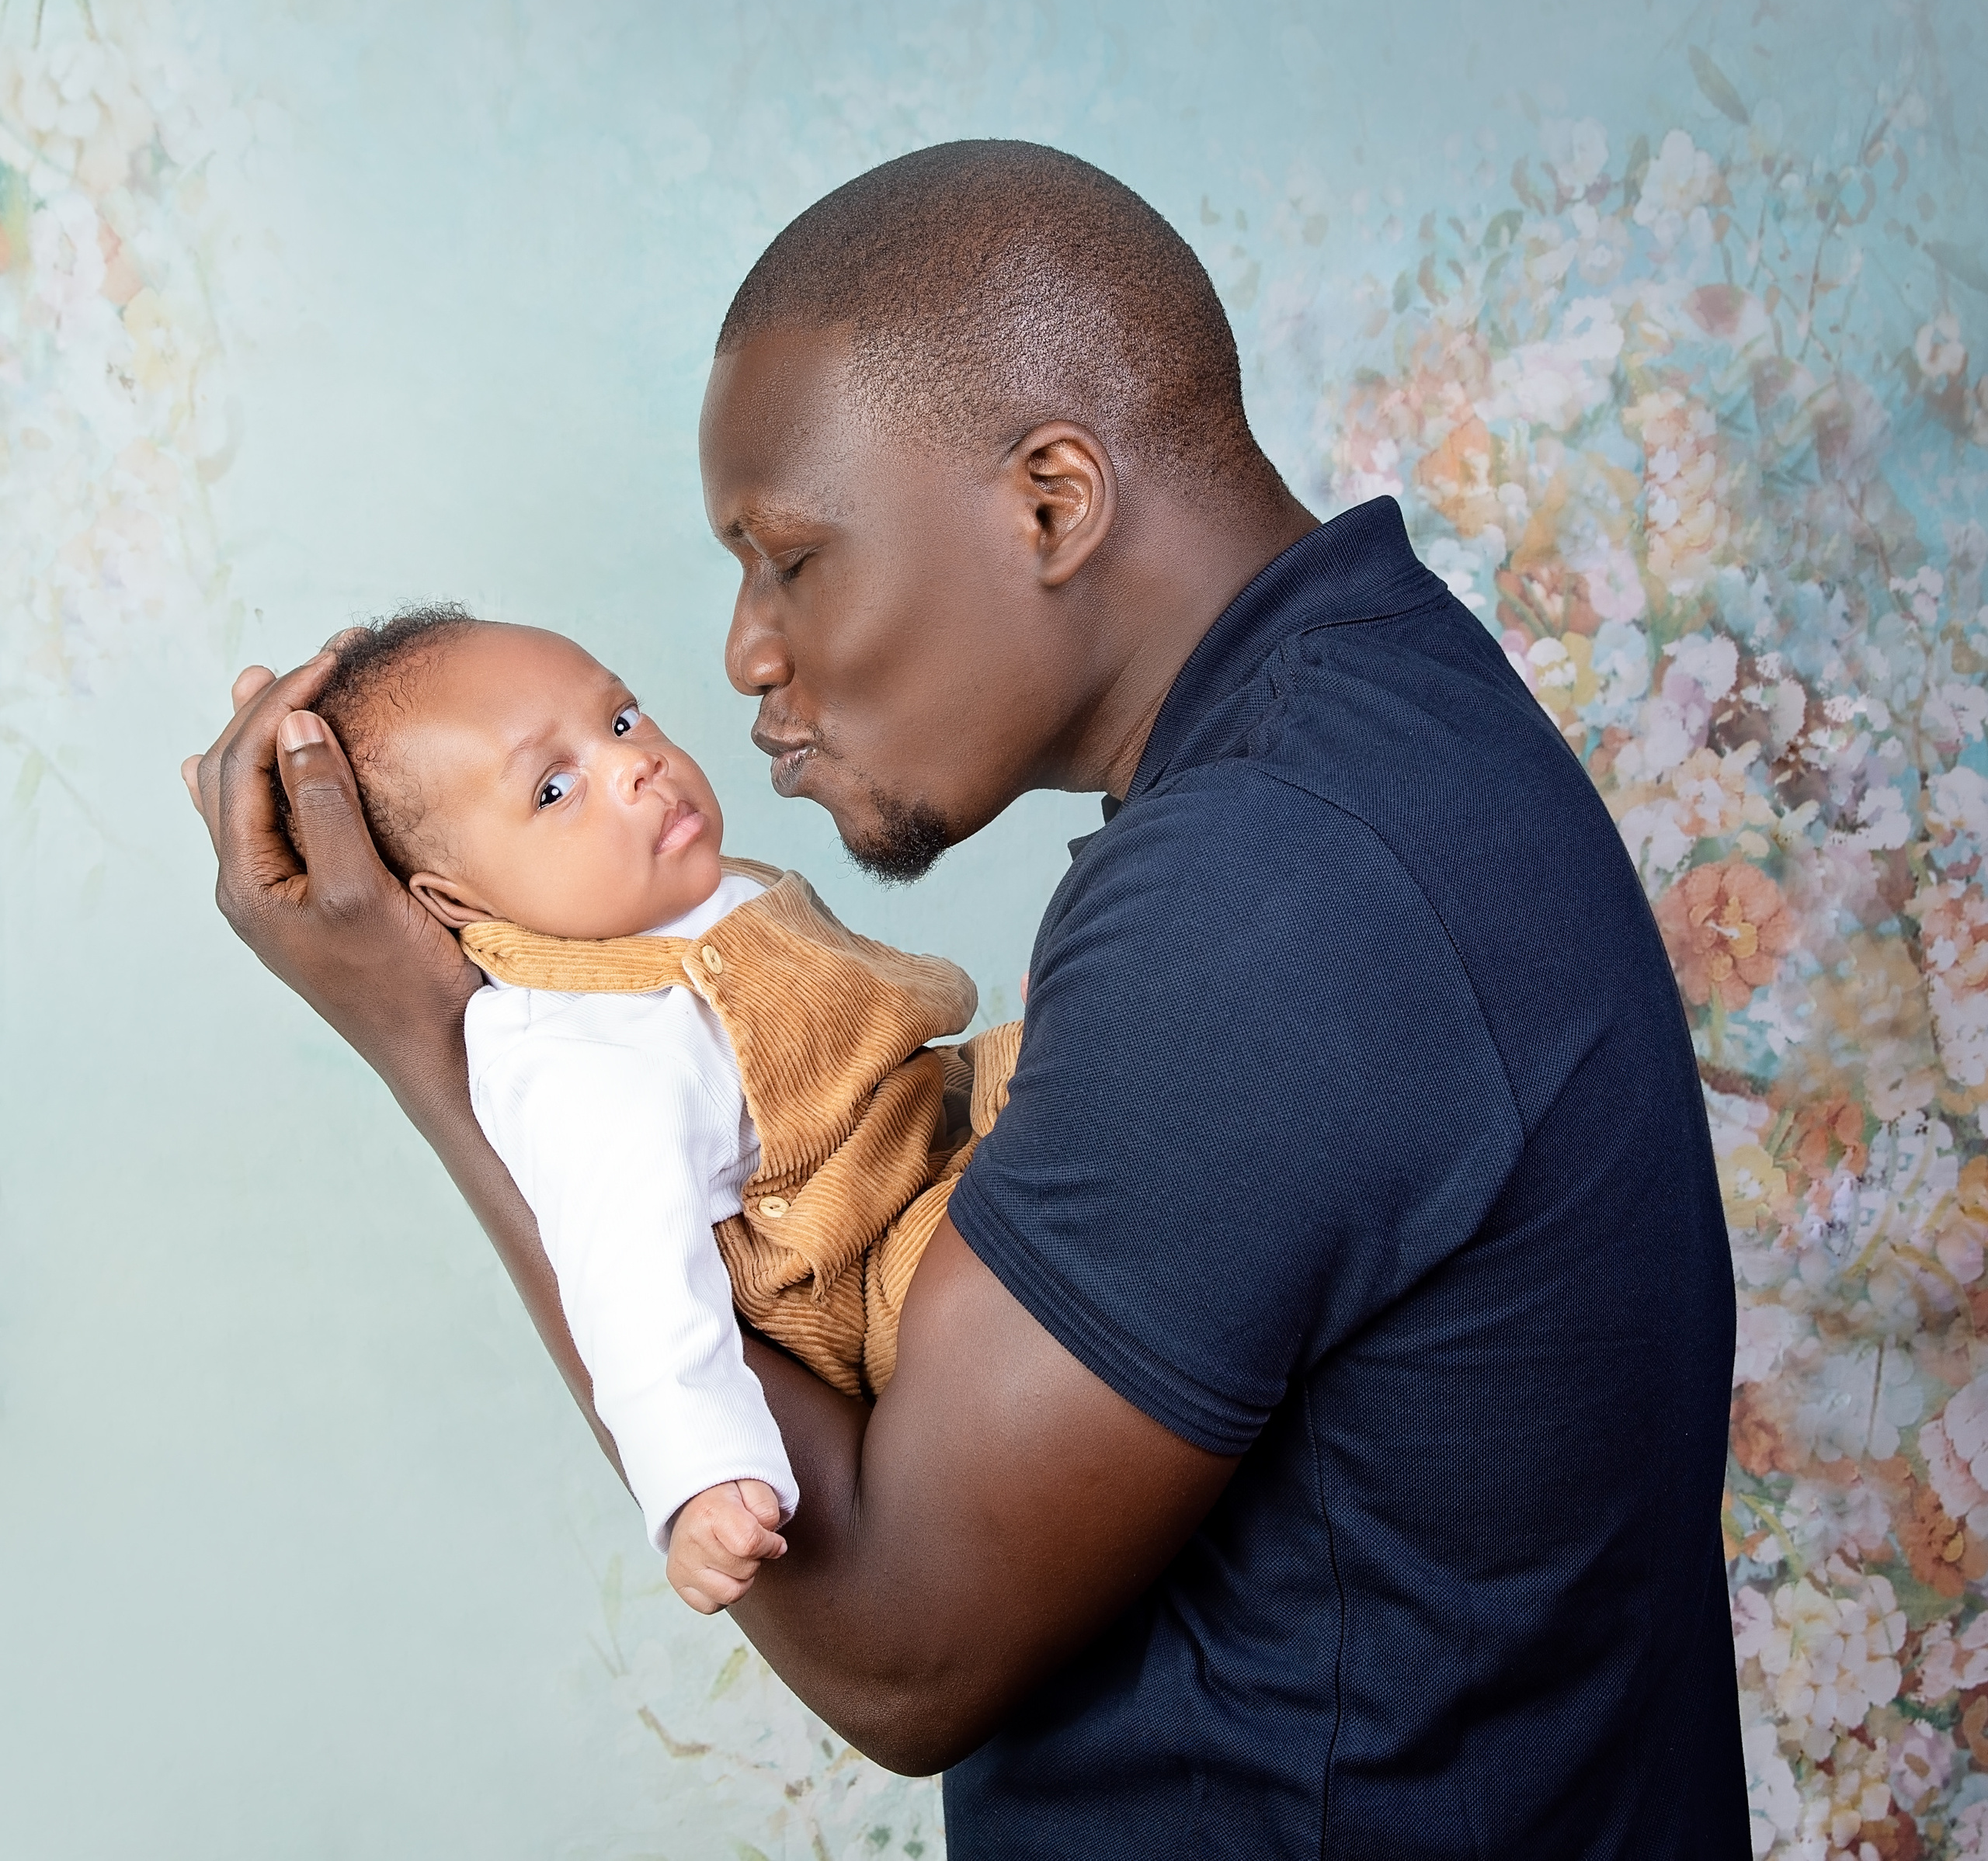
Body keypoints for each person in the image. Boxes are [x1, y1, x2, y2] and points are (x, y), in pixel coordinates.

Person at [185, 141, 1747, 1857]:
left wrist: (441, 1034)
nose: (741, 653)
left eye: (788, 557)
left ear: (1050, 503)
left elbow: (904, 1648)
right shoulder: (1375, 714)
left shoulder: (1262, 892)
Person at [303, 605, 1021, 1615]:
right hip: (873, 1263)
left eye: (624, 720)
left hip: (928, 1119)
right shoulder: (583, 1053)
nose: (634, 767)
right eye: (554, 789)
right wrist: (698, 1479)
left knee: (1093, 1024)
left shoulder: (669, 900)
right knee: (1076, 1172)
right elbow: (627, 1283)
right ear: (456, 900)